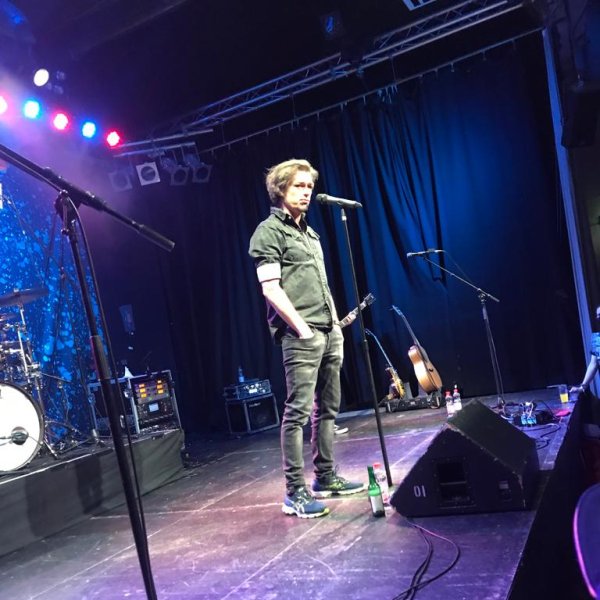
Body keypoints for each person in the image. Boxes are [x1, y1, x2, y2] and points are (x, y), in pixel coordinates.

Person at [249, 158, 364, 518]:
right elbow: (271, 288)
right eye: (298, 185)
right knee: (297, 412)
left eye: (309, 186)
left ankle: (325, 477)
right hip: (301, 335)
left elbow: (321, 284)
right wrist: (301, 328)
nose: (306, 192)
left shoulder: (309, 234)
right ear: (280, 188)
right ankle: (294, 492)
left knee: (327, 409)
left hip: (328, 330)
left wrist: (334, 324)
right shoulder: (269, 232)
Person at [570, 305, 600, 395]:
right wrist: (582, 387)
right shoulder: (596, 339)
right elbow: (593, 364)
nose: (598, 317)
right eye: (597, 315)